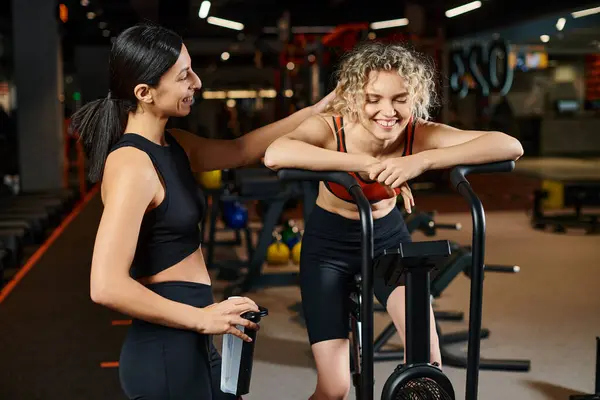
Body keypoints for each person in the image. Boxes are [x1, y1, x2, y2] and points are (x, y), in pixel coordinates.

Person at [70, 23, 335, 400]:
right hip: (165, 352)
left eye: (191, 69)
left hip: (193, 340)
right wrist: (202, 317)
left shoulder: (172, 143)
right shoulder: (132, 164)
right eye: (183, 76)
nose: (196, 82)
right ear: (144, 93)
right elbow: (106, 285)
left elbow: (241, 150)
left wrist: (316, 111)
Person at [264, 41, 524, 400]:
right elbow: (276, 153)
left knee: (427, 367)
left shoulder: (417, 133)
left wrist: (421, 161)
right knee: (335, 388)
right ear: (355, 97)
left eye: (400, 98)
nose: (388, 111)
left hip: (388, 240)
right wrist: (366, 166)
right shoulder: (330, 128)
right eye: (374, 98)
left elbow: (509, 145)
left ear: (414, 97)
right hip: (328, 246)